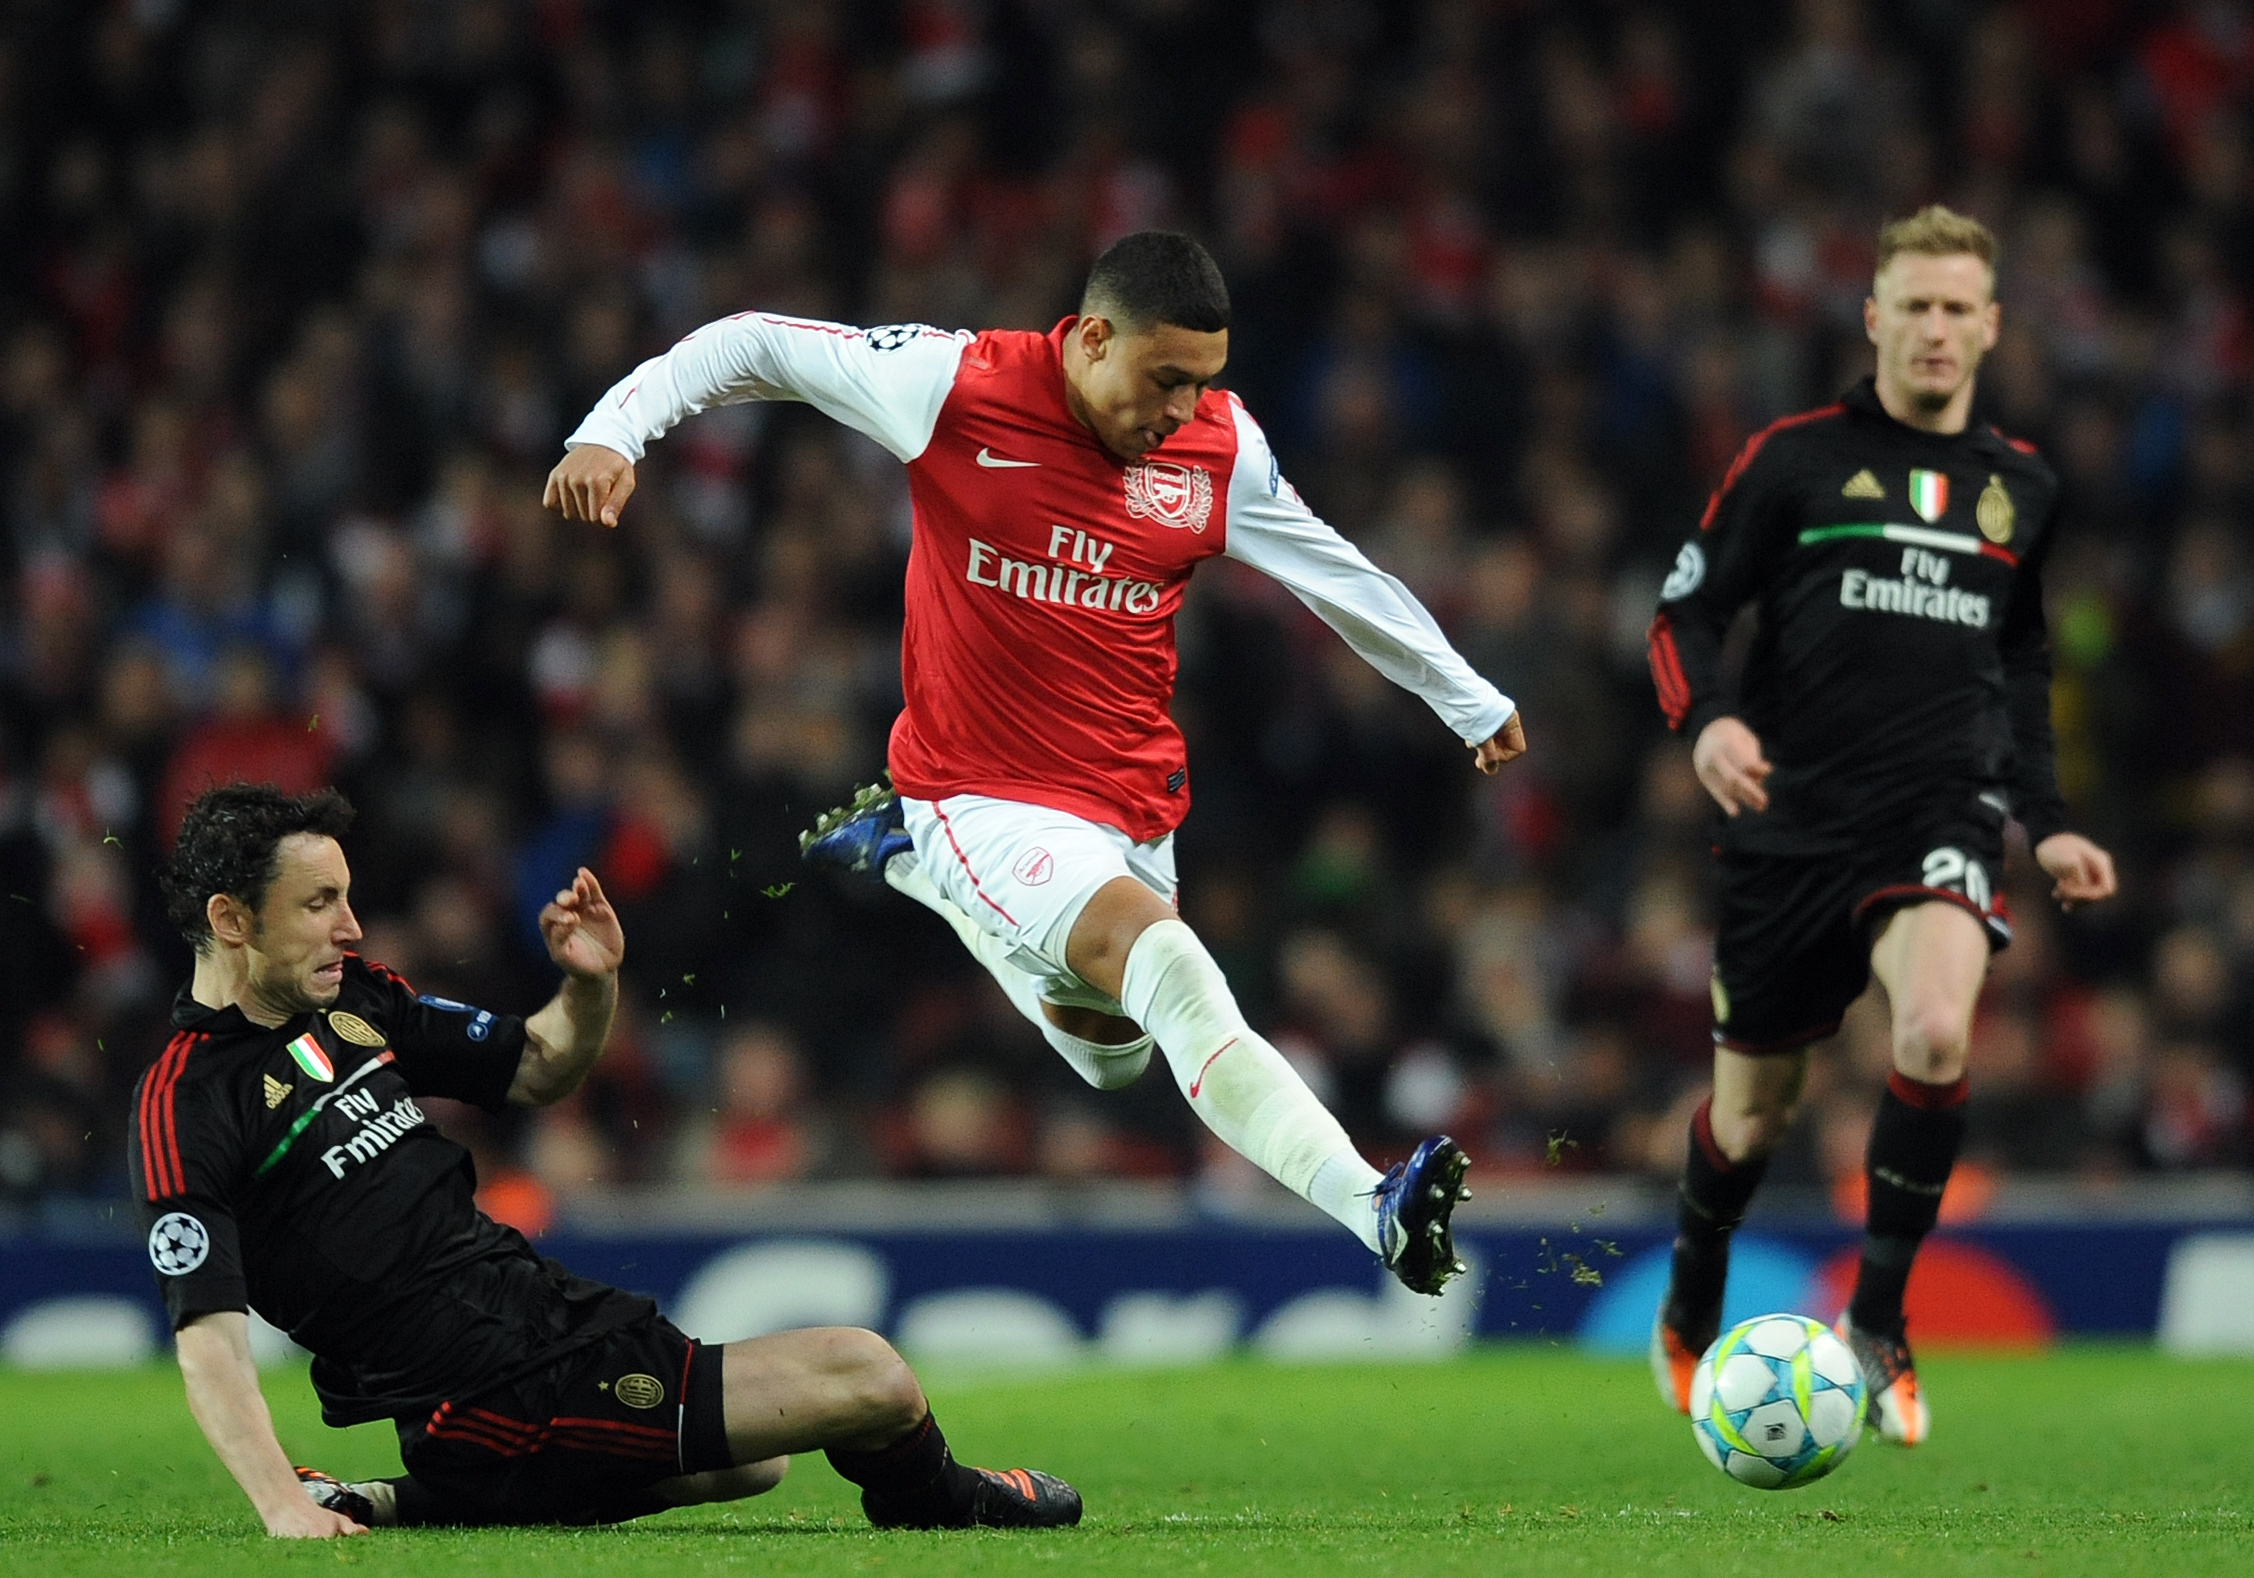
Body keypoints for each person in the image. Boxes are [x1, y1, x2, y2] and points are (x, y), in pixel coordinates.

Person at [545, 231, 1525, 1294]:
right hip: (983, 792)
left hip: (1132, 805)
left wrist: (1464, 697)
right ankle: (1369, 1202)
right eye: (1165, 380)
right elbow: (757, 343)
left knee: (1117, 1053)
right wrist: (615, 431)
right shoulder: (953, 384)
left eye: (1203, 384)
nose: (1183, 410)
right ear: (1093, 338)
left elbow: (1335, 576)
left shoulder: (1218, 451)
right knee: (1172, 965)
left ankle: (909, 863)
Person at [132, 783, 1080, 1537]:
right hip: (488, 1385)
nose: (351, 927)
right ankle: (935, 1497)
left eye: (347, 898)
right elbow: (207, 1338)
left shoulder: (354, 1006)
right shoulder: (187, 1101)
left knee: (755, 1463)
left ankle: (396, 1500)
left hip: (537, 1316)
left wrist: (590, 985)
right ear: (231, 919)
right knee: (864, 1375)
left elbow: (539, 1066)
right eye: (319, 903)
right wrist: (279, 1506)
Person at [1644, 206, 2118, 1442]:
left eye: (1959, 307)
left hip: (1939, 811)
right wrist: (1707, 724)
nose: (1937, 329)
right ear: (1874, 318)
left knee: (1932, 1029)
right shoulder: (1791, 461)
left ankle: (1880, 1320)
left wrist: (2047, 822)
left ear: (1993, 326)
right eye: (1915, 305)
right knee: (1751, 1120)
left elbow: (2020, 669)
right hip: (1789, 821)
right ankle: (1692, 1294)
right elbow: (1682, 615)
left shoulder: (2024, 488)